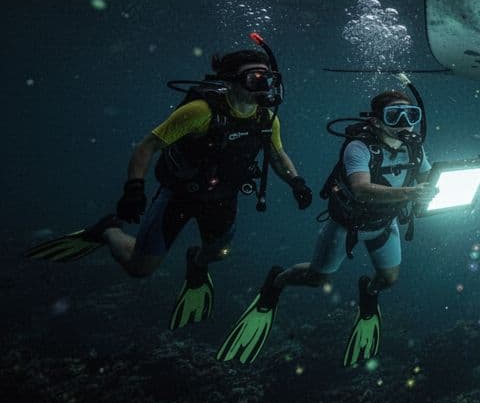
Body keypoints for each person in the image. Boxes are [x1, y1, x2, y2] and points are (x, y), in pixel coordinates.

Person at [25, 35, 313, 330]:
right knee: (140, 268)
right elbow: (147, 146)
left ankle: (196, 263)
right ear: (230, 81)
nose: (264, 87)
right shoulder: (200, 111)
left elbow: (277, 155)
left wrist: (297, 183)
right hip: (180, 195)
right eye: (254, 79)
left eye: (268, 79)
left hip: (223, 198)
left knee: (218, 253)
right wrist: (134, 188)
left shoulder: (267, 118)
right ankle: (108, 230)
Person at [217, 77, 437, 367]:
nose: (405, 123)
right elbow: (361, 189)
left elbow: (427, 179)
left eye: (411, 115)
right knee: (317, 278)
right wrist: (412, 193)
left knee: (388, 279)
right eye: (394, 115)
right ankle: (276, 282)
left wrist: (438, 188)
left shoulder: (415, 149)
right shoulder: (359, 147)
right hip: (346, 225)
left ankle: (368, 293)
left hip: (384, 224)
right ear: (376, 121)